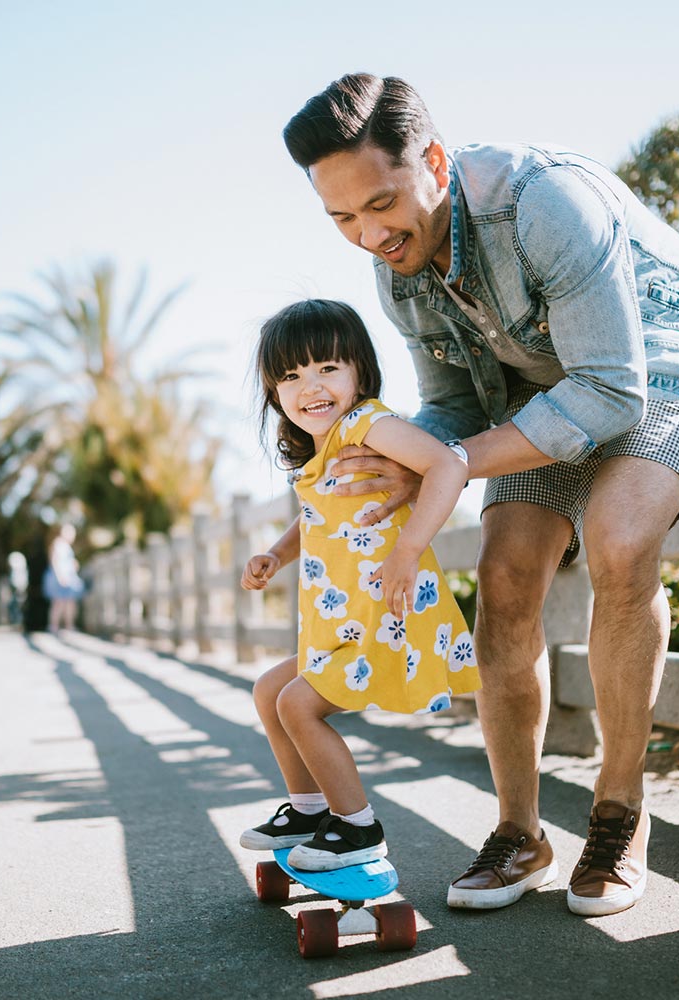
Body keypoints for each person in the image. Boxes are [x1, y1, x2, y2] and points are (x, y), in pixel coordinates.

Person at [267, 73, 679, 913]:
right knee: (504, 580)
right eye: (342, 219)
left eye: (381, 204)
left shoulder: (542, 202)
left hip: (662, 370)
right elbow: (459, 407)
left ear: (432, 159)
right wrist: (412, 455)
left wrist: (455, 461)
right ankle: (520, 832)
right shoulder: (394, 273)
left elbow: (612, 391)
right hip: (535, 396)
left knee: (617, 541)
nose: (369, 234)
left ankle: (619, 812)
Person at [238, 298, 481, 871]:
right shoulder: (325, 448)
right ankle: (308, 809)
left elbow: (448, 465)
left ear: (359, 371)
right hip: (344, 621)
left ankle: (357, 827)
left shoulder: (367, 423)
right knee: (270, 692)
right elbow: (320, 515)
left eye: (327, 367)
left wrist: (408, 549)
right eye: (291, 376)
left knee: (299, 705)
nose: (310, 386)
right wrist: (276, 552)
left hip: (385, 613)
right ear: (275, 392)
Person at [43, 524, 84, 633]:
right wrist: (60, 576)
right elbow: (55, 561)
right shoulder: (59, 544)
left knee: (69, 602)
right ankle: (54, 626)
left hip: (68, 577)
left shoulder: (65, 545)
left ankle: (68, 625)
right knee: (59, 602)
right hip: (60, 577)